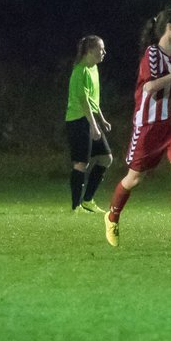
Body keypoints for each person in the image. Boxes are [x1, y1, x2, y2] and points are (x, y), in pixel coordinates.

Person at [104, 9, 171, 247]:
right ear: (170, 27)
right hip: (148, 126)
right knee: (134, 178)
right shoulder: (152, 54)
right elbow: (149, 88)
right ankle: (112, 216)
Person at [65, 35, 113, 213]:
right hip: (78, 120)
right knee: (80, 163)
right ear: (90, 51)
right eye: (101, 49)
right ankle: (76, 206)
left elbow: (93, 100)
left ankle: (88, 200)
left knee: (106, 159)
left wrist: (101, 119)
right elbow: (83, 100)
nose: (104, 52)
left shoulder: (94, 69)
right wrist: (93, 125)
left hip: (90, 119)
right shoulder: (81, 70)